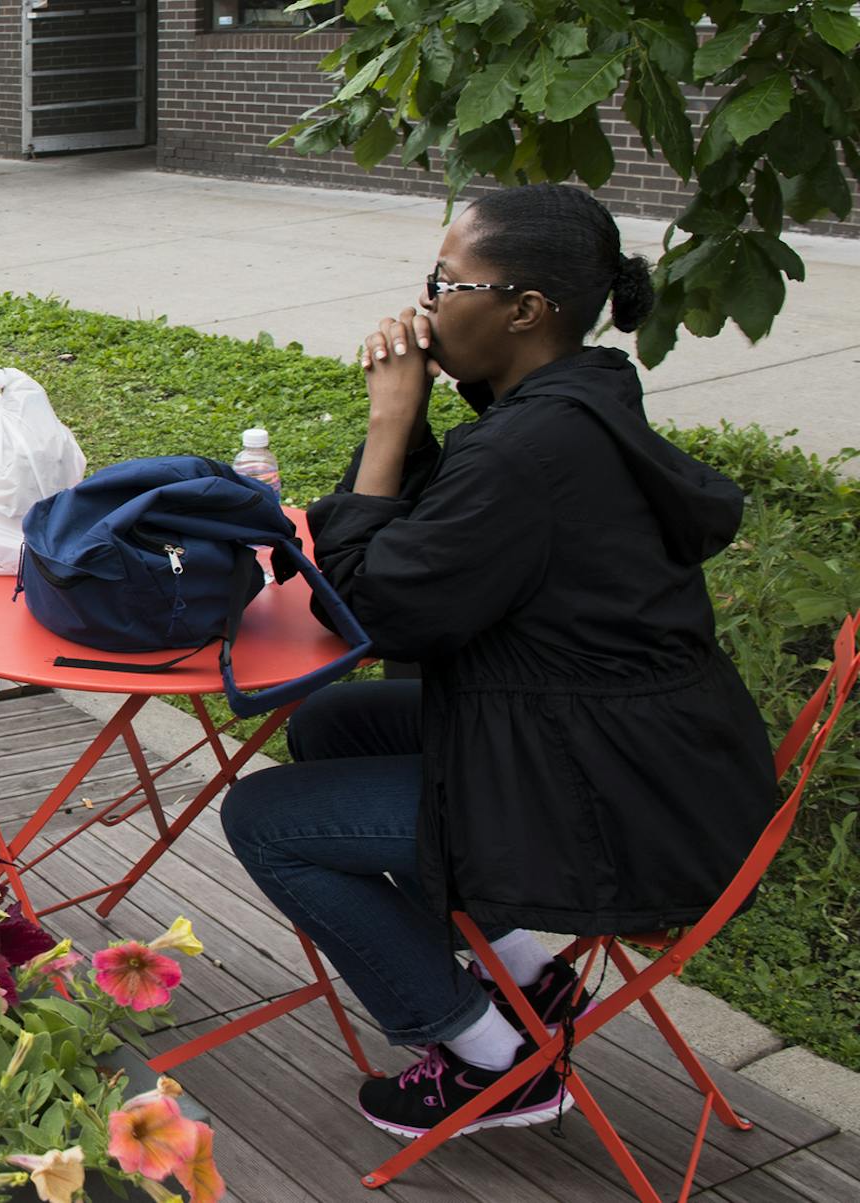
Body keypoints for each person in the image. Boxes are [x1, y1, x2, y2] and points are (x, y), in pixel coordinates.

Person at [218, 184, 778, 1140]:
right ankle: (527, 974)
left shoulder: (530, 451)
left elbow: (379, 611)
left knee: (263, 818)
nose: (427, 303)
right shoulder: (572, 405)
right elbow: (432, 547)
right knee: (327, 723)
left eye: (448, 281)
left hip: (616, 801)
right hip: (648, 749)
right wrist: (421, 415)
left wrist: (392, 421)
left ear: (524, 311)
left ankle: (492, 1060)